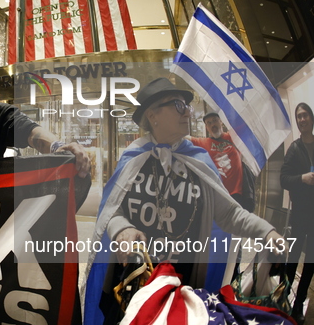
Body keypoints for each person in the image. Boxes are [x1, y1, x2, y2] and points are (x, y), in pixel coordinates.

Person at [94, 78, 285, 286]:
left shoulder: (198, 160)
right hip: (133, 278)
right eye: (178, 105)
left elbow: (230, 214)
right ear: (152, 115)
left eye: (187, 107)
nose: (187, 112)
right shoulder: (133, 158)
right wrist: (122, 229)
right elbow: (111, 211)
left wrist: (267, 232)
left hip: (180, 283)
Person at [280, 102, 314, 325]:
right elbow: (283, 179)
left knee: (310, 262)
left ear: (311, 118)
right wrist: (301, 178)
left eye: (305, 115)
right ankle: (281, 298)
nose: (302, 119)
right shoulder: (294, 148)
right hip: (300, 214)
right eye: (298, 116)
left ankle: (298, 304)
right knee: (292, 260)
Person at [190, 112, 250, 210]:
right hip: (218, 195)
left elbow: (246, 123)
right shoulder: (203, 142)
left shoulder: (233, 137)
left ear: (221, 122)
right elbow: (184, 139)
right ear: (206, 128)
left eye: (214, 121)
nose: (212, 124)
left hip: (236, 194)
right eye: (209, 123)